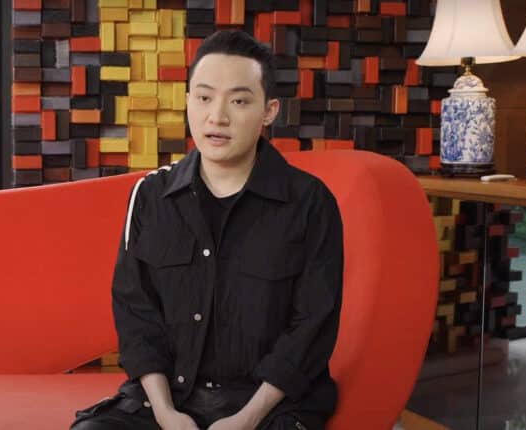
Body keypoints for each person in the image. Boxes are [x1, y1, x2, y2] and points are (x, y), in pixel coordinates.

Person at [70, 29, 343, 430]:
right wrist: (166, 414)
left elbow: (311, 328)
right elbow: (136, 316)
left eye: (238, 101)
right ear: (187, 102)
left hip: (268, 406)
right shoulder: (150, 196)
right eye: (204, 97)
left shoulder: (309, 203)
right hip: (167, 401)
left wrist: (246, 419)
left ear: (269, 111)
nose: (217, 116)